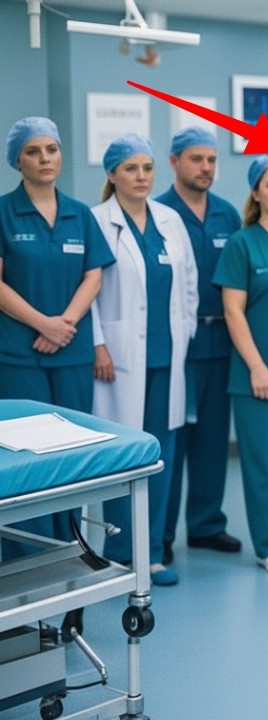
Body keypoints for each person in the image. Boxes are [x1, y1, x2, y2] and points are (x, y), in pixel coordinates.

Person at [0, 116, 113, 557]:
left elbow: (94, 276)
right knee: (26, 456)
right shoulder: (4, 212)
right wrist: (42, 324)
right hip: (19, 353)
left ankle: (69, 552)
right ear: (17, 160)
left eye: (52, 149)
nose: (45, 158)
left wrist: (64, 323)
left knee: (69, 453)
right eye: (33, 151)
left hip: (70, 352)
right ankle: (22, 559)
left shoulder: (79, 214)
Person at [90, 133, 199, 587]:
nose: (141, 177)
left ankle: (151, 554)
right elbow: (90, 290)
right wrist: (97, 344)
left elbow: (189, 285)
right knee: (123, 459)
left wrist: (186, 331)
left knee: (161, 458)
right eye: (130, 168)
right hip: (118, 360)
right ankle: (119, 554)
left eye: (147, 168)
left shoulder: (170, 220)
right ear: (112, 174)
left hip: (167, 356)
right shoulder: (97, 220)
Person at [212, 155, 268, 575]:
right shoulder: (242, 244)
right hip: (256, 375)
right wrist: (257, 367)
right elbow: (233, 312)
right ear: (256, 192)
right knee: (262, 463)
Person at [155, 126, 243, 565]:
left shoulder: (228, 214)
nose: (206, 167)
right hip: (178, 344)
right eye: (196, 159)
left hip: (222, 341)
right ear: (174, 162)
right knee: (174, 438)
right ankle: (162, 534)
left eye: (211, 160)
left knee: (211, 440)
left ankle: (207, 525)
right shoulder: (158, 213)